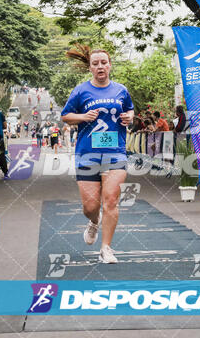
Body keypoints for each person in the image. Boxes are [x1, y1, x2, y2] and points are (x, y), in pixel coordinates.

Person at [61, 48, 134, 264]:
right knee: (91, 207)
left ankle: (106, 248)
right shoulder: (81, 91)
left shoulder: (121, 90)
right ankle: (94, 222)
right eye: (96, 63)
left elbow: (130, 110)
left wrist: (129, 117)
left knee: (111, 200)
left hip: (115, 153)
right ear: (90, 67)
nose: (100, 66)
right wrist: (83, 116)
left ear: (109, 65)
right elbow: (65, 116)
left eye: (104, 62)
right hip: (87, 154)